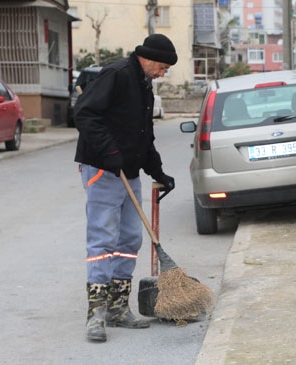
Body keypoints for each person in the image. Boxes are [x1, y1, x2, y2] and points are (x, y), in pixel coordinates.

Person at [74, 33, 178, 342]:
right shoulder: (117, 75)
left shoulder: (144, 85)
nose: (162, 74)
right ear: (147, 59)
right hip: (103, 170)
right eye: (161, 67)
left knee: (129, 239)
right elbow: (85, 113)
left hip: (128, 172)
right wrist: (110, 152)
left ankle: (119, 308)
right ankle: (96, 315)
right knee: (103, 239)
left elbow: (144, 135)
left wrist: (157, 170)